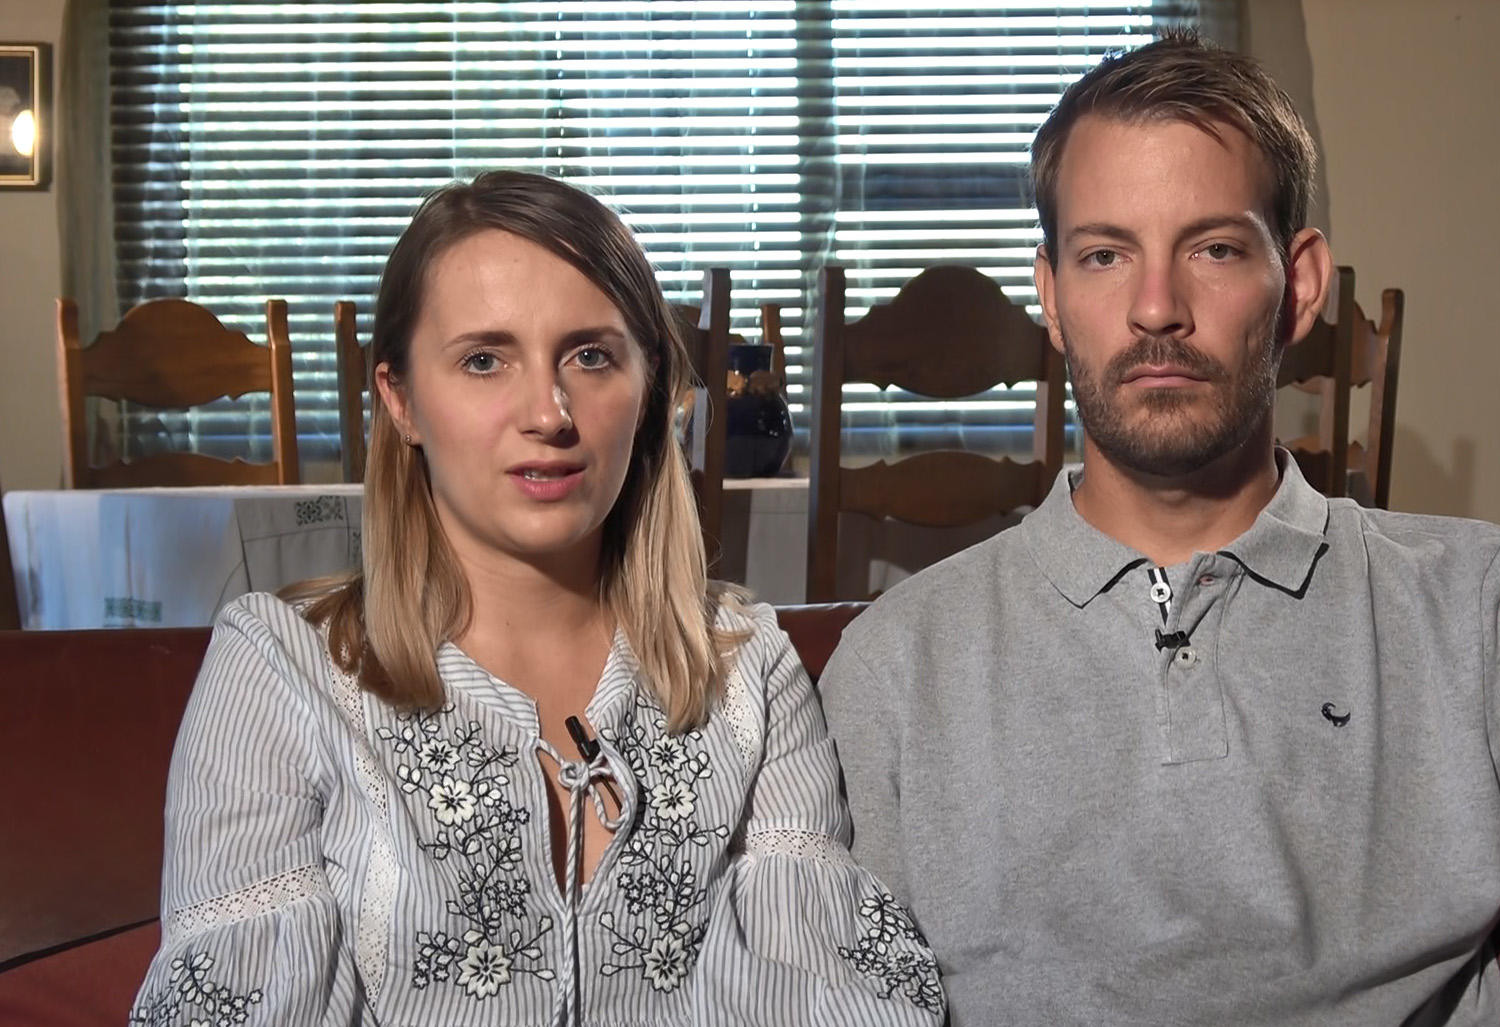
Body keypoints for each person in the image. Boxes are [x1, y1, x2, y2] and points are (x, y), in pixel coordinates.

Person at [818, 32, 1500, 1027]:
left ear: (1297, 285)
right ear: (1049, 293)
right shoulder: (897, 663)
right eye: (1103, 254)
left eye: (1211, 248)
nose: (1156, 307)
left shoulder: (1475, 602)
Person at [128, 171, 943, 1026]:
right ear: (400, 399)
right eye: (485, 359)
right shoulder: (283, 667)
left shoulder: (747, 670)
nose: (549, 412)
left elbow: (835, 999)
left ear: (651, 388)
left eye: (591, 356)